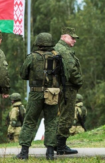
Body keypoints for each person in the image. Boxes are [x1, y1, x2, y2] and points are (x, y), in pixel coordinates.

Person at [16, 32, 66, 160]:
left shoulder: (32, 57)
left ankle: (24, 153)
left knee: (29, 121)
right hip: (53, 93)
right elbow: (64, 75)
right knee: (51, 122)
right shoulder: (57, 57)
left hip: (36, 93)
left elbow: (22, 74)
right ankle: (50, 154)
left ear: (38, 43)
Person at [54, 27, 83, 155]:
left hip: (61, 86)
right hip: (68, 86)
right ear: (64, 37)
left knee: (61, 114)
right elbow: (71, 69)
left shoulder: (58, 48)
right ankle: (61, 146)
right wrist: (79, 81)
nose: (74, 40)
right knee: (67, 115)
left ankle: (57, 143)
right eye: (72, 38)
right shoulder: (63, 50)